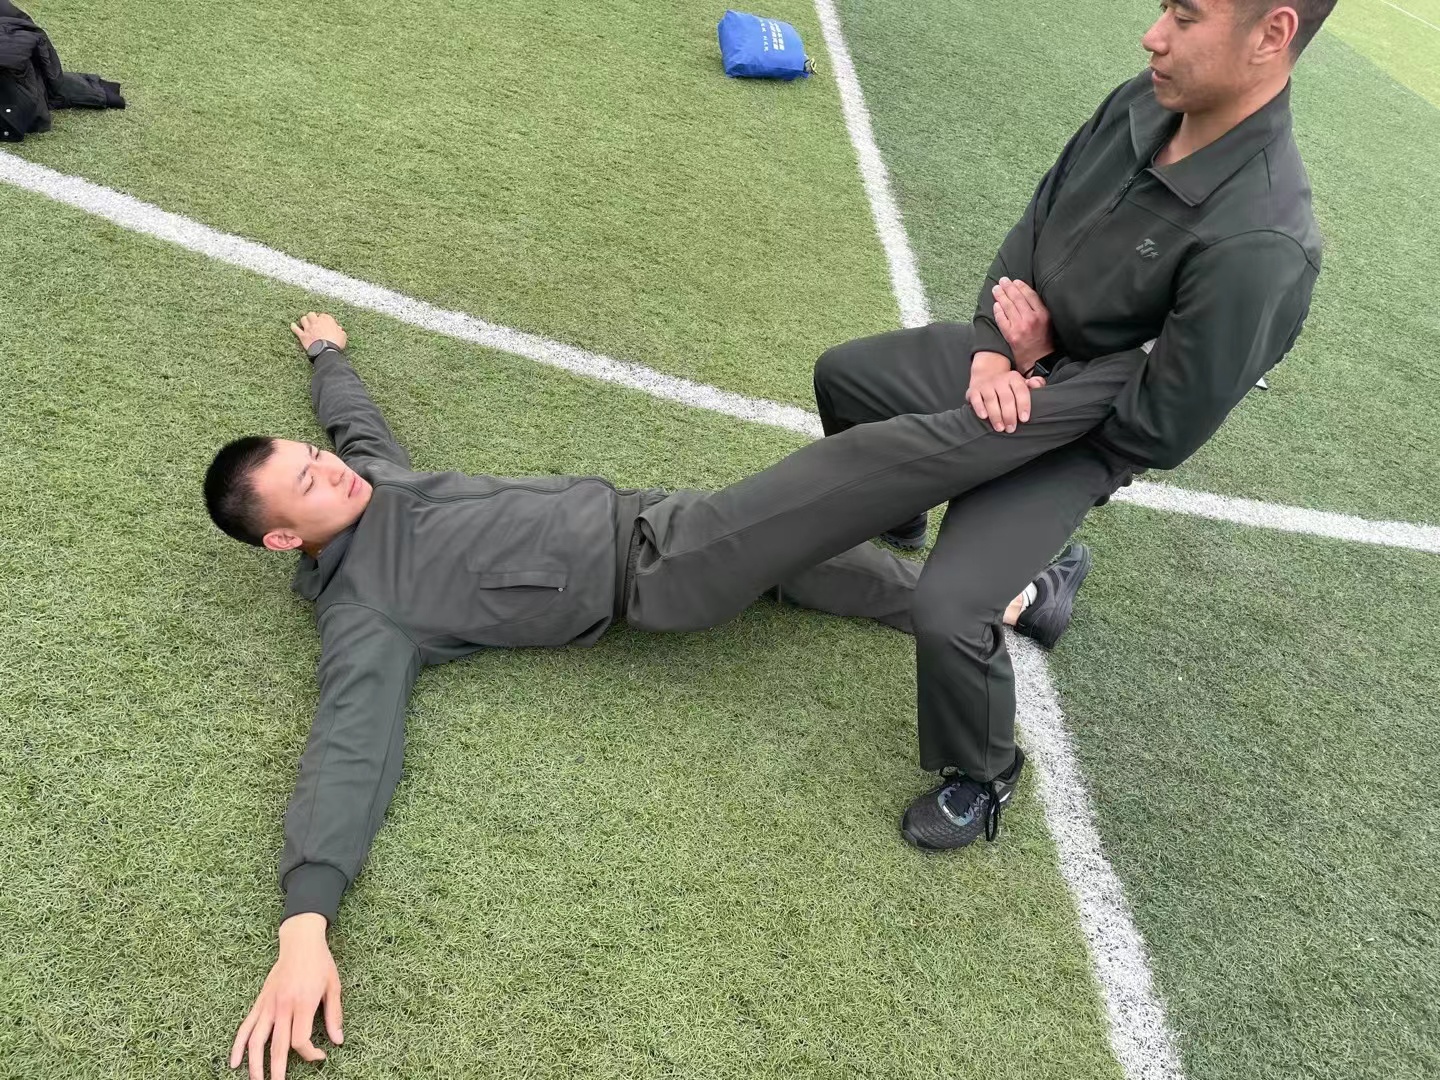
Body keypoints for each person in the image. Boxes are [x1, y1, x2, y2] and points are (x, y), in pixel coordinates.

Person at [218, 310, 1138, 1079]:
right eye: (307, 482)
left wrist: (327, 357)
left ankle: (1025, 599)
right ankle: (1107, 394)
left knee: (807, 557)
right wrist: (305, 924)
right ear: (283, 539)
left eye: (312, 456)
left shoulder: (370, 479)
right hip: (664, 570)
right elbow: (348, 746)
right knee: (850, 476)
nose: (329, 469)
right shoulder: (367, 612)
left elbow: (357, 432)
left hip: (654, 517)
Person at [813, 0, 1329, 853]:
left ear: (1272, 35)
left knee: (948, 608)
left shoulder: (1265, 237)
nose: (1154, 35)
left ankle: (983, 773)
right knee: (846, 379)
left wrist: (1044, 367)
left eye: (1186, 16)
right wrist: (993, 354)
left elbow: (1162, 426)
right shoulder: (1144, 98)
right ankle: (937, 532)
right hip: (1011, 356)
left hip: (1086, 430)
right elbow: (1038, 218)